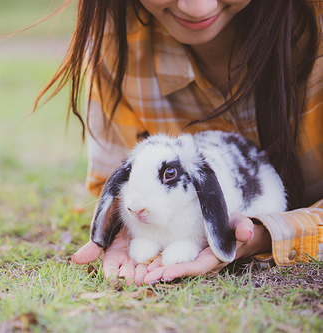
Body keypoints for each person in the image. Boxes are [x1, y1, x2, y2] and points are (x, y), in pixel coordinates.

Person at [36, 0, 323, 285]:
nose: (196, 8)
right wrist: (119, 229)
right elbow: (115, 187)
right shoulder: (115, 42)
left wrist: (267, 233)